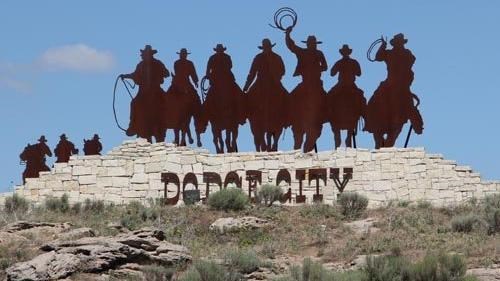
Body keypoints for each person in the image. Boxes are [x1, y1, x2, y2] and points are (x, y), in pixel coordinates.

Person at [364, 33, 423, 148]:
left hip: (399, 84)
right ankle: (417, 123)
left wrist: (383, 48)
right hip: (394, 83)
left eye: (399, 42)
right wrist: (383, 46)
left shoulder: (405, 54)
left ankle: (417, 124)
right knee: (374, 101)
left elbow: (379, 57)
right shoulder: (396, 53)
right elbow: (378, 57)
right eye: (397, 43)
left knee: (409, 105)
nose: (398, 44)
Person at [284, 26, 328, 152]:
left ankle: (327, 115)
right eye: (310, 43)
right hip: (305, 83)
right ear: (308, 44)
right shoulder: (302, 52)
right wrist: (287, 35)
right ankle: (287, 117)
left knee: (328, 100)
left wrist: (319, 68)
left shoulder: (319, 54)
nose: (312, 45)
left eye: (313, 43)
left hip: (316, 83)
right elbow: (291, 46)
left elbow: (325, 66)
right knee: (290, 98)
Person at [243, 38, 288, 151]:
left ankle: (288, 118)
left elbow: (283, 70)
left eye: (268, 47)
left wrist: (276, 75)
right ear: (263, 48)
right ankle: (244, 115)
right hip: (260, 82)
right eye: (265, 47)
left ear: (270, 47)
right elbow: (252, 72)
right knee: (247, 98)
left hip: (274, 82)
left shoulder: (277, 57)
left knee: (288, 98)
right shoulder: (258, 58)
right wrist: (247, 86)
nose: (266, 49)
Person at [120, 45, 170, 142]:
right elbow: (135, 74)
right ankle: (133, 125)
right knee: (134, 103)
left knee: (167, 102)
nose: (142, 56)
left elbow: (167, 73)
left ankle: (169, 120)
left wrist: (161, 73)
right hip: (143, 91)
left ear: (150, 54)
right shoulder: (141, 65)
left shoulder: (158, 63)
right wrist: (126, 76)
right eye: (143, 54)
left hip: (155, 89)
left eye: (144, 54)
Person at [327, 44, 366, 148]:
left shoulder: (342, 62)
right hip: (347, 85)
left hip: (343, 85)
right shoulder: (352, 62)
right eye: (344, 52)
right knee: (360, 97)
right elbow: (359, 73)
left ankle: (364, 115)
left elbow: (332, 73)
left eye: (346, 52)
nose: (345, 53)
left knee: (330, 96)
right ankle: (363, 114)